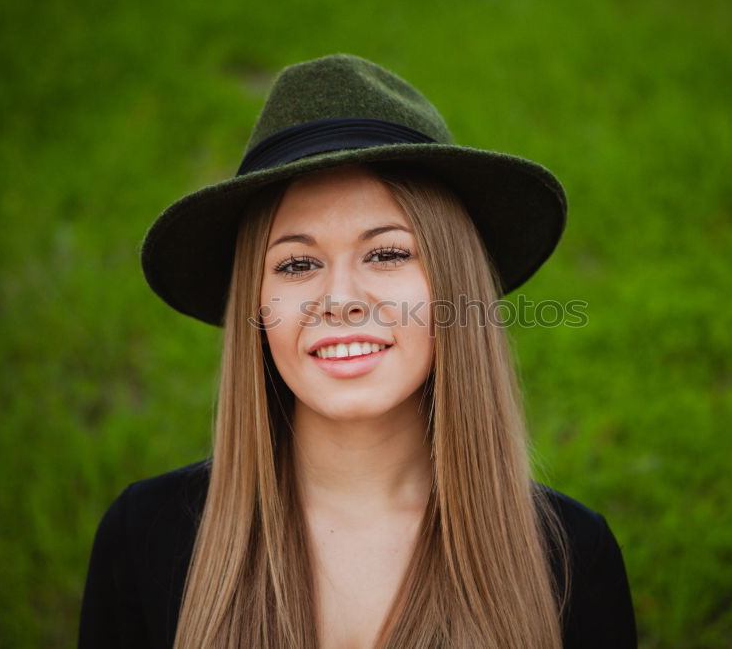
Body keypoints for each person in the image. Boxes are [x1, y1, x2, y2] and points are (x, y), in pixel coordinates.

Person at [78, 54, 636, 649]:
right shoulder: (147, 536)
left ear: (453, 286)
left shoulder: (572, 557)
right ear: (257, 306)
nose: (339, 299)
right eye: (297, 264)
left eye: (388, 253)